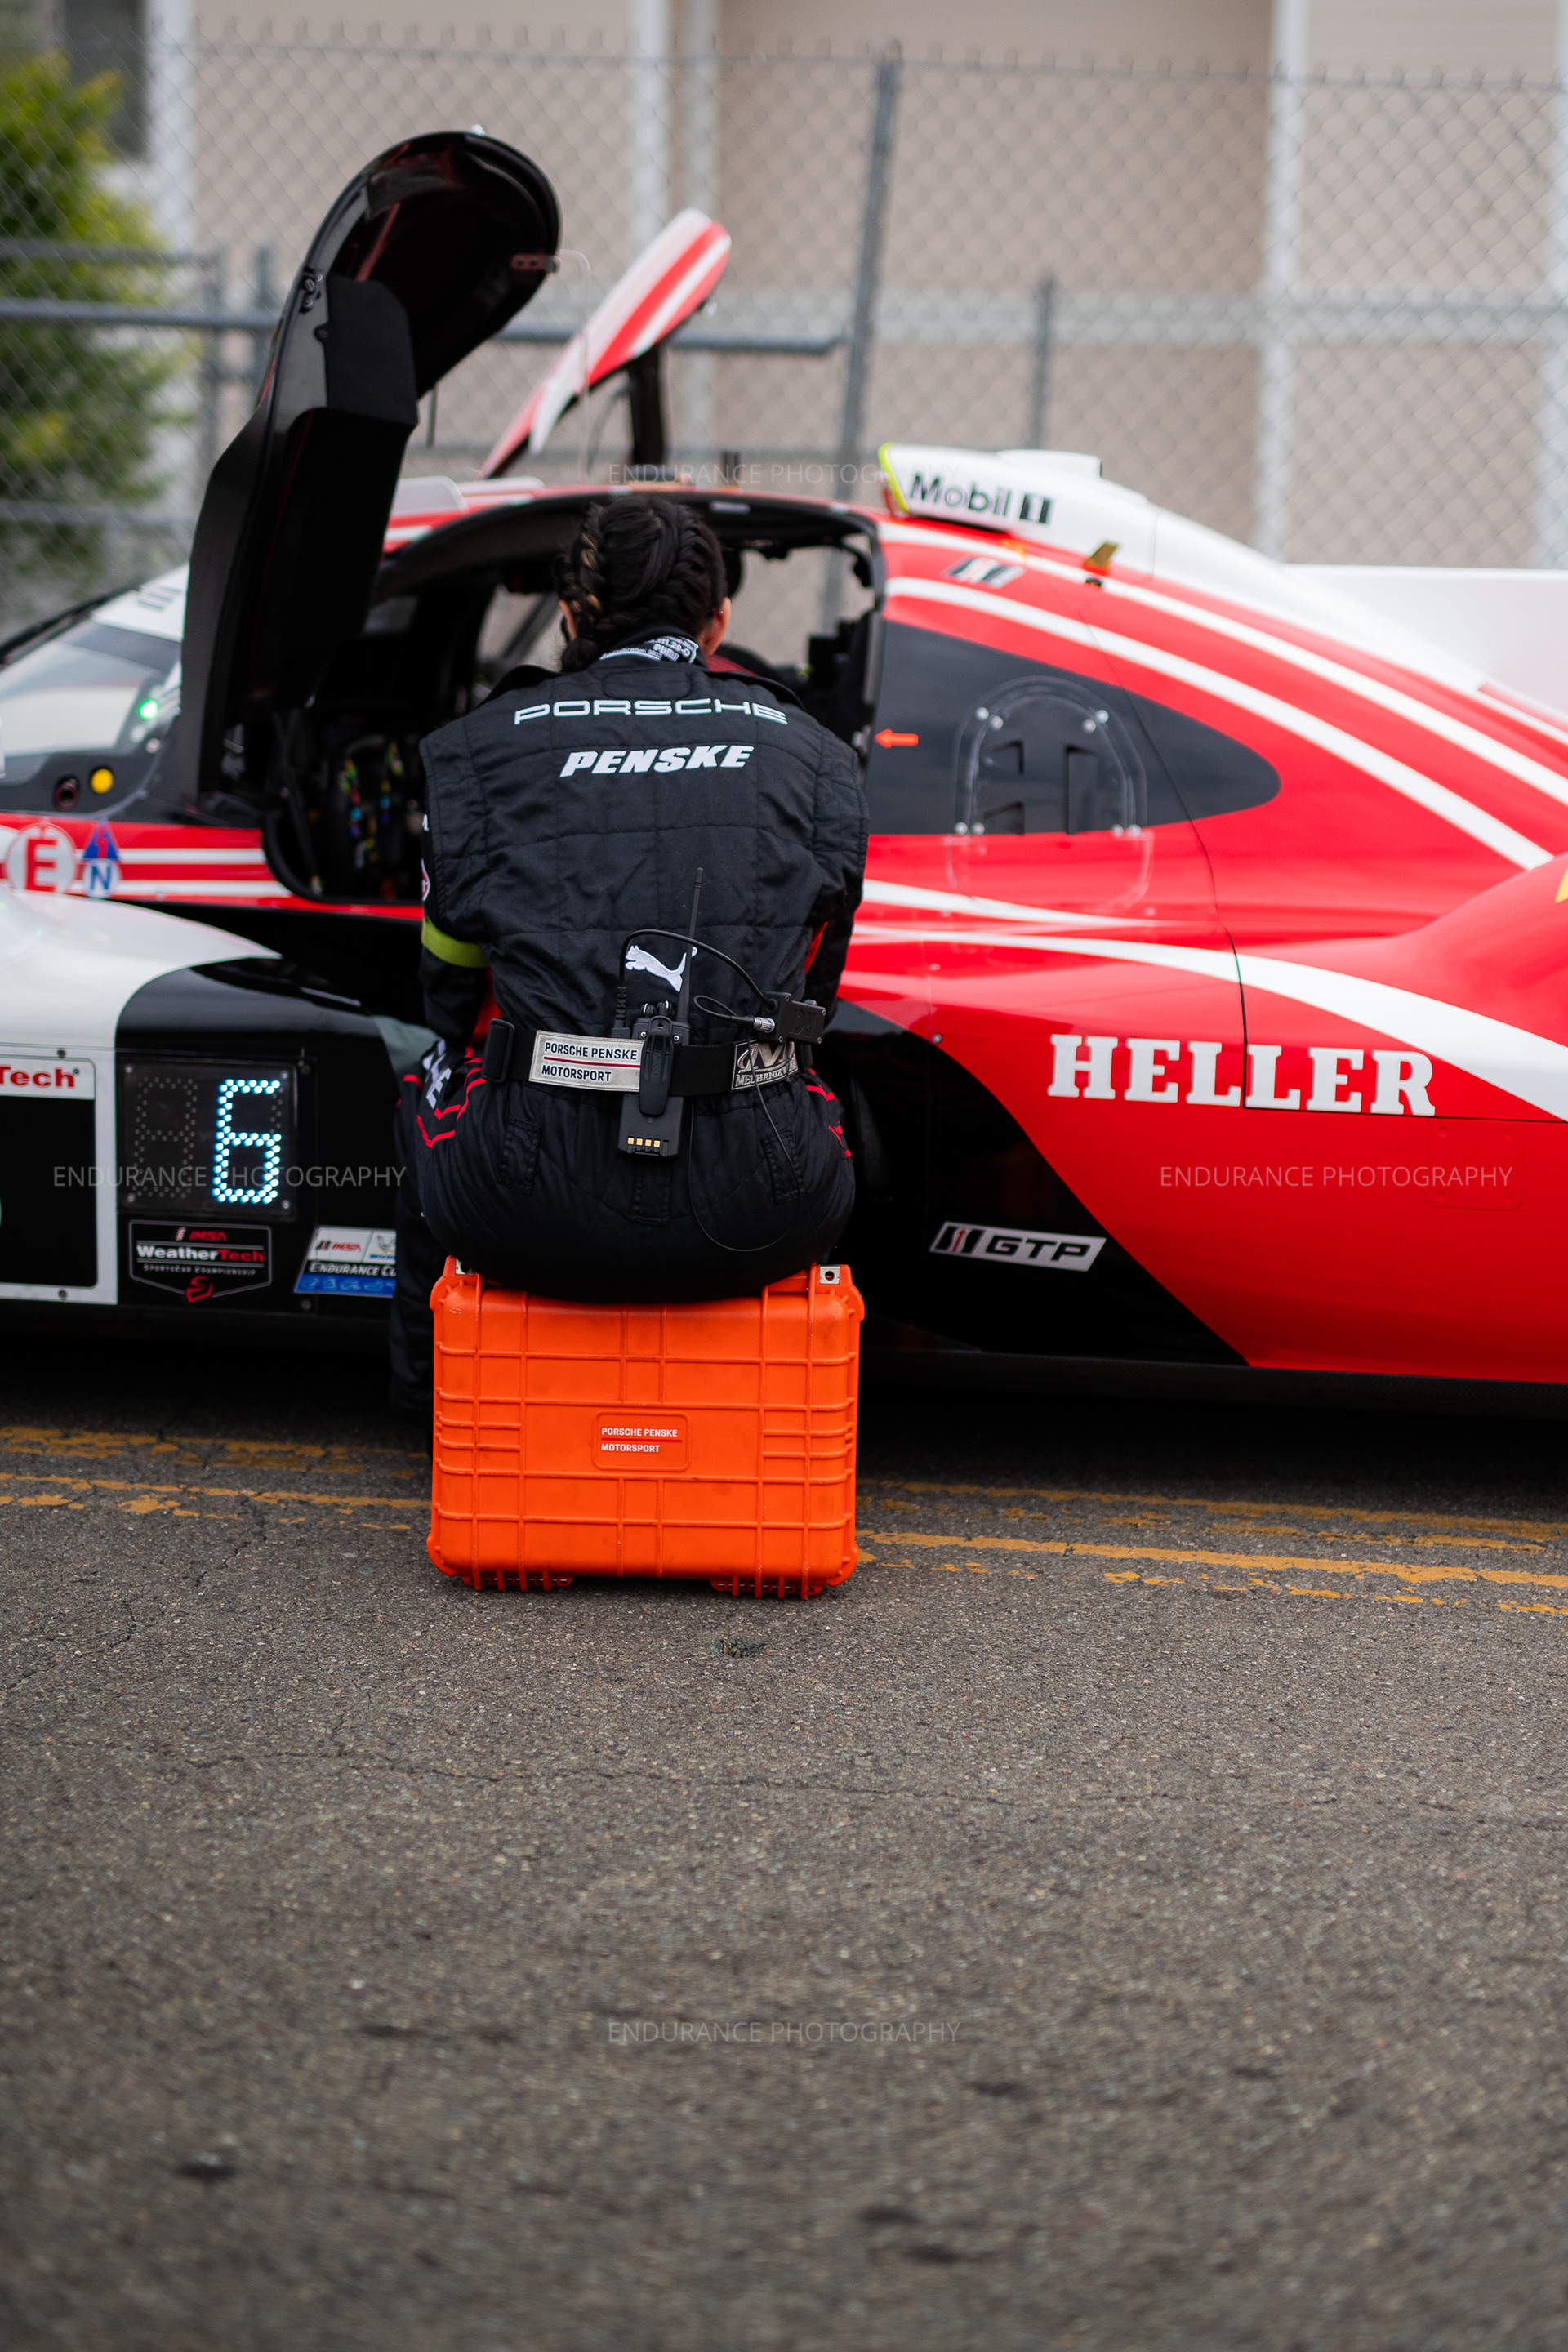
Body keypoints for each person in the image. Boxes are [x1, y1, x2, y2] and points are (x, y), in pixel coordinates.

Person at [388, 494, 868, 1414]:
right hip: (762, 1209)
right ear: (717, 622)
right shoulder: (815, 756)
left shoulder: (479, 749)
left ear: (573, 618)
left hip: (526, 1205)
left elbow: (446, 996)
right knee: (813, 1087)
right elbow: (815, 993)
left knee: (429, 1075)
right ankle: (774, 1422)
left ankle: (432, 1417)